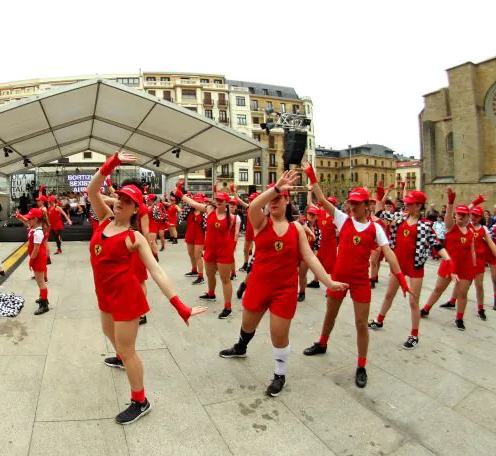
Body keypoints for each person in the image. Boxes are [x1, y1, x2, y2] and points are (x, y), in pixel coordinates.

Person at [88, 151, 206, 424]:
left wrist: (180, 306)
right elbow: (92, 189)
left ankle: (140, 401)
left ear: (134, 209)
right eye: (119, 198)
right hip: (104, 295)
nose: (119, 203)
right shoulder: (105, 219)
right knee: (110, 335)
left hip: (126, 299)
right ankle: (120, 357)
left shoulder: (134, 237)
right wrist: (112, 163)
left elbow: (156, 271)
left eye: (126, 201)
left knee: (128, 351)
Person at [219, 174, 347, 396]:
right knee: (248, 326)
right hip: (259, 286)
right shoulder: (261, 222)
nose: (274, 202)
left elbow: (310, 257)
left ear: (287, 201)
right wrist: (275, 189)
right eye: (272, 199)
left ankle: (280, 374)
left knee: (279, 334)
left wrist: (328, 281)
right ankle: (241, 346)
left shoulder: (296, 228)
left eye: (280, 198)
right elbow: (254, 206)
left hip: (284, 290)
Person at [300, 161, 409, 388]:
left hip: (360, 281)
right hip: (339, 277)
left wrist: (400, 279)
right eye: (350, 202)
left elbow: (389, 253)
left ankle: (361, 365)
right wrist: (312, 175)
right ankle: (322, 342)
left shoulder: (375, 228)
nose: (352, 206)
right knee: (330, 314)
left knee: (361, 323)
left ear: (367, 205)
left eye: (357, 204)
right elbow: (320, 199)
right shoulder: (342, 219)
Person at [367, 191, 436, 349]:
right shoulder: (400, 218)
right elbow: (379, 212)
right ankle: (379, 320)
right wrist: (380, 195)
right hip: (399, 265)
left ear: (419, 206)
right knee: (389, 294)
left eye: (411, 203)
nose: (407, 205)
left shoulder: (425, 224)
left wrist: (448, 260)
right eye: (407, 203)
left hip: (415, 266)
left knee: (413, 301)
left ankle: (414, 335)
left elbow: (437, 244)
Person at [420, 189, 477, 331]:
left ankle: (459, 318)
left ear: (468, 216)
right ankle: (426, 309)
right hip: (449, 264)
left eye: (464, 216)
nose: (461, 218)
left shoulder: (470, 231)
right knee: (438, 289)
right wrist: (450, 202)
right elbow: (447, 219)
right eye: (459, 215)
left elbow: (472, 250)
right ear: (456, 215)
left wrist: (474, 266)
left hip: (465, 266)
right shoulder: (451, 227)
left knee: (462, 294)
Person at [180, 188, 239, 319]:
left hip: (224, 252)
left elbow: (234, 235)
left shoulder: (232, 218)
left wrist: (233, 248)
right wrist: (181, 195)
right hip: (210, 250)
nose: (218, 201)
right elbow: (193, 204)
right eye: (217, 199)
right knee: (210, 274)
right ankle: (211, 294)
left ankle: (228, 307)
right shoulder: (209, 210)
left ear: (226, 202)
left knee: (225, 279)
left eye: (221, 200)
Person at [25, 208, 51, 315]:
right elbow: (26, 222)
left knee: (41, 282)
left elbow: (36, 249)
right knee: (38, 281)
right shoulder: (34, 228)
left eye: (30, 219)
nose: (28, 221)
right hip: (37, 258)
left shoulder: (38, 232)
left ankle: (44, 305)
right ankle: (43, 297)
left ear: (35, 219)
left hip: (38, 258)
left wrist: (31, 260)